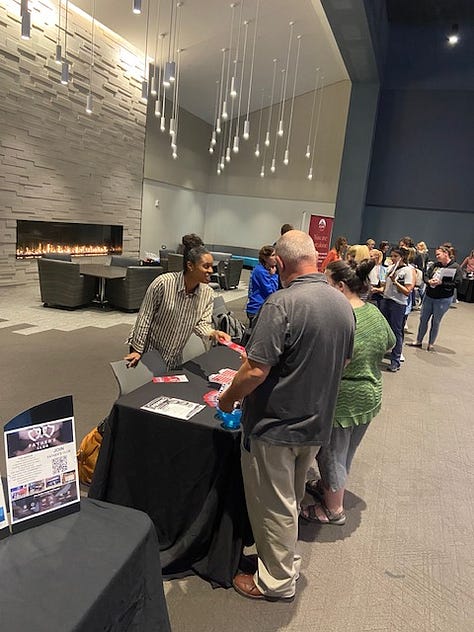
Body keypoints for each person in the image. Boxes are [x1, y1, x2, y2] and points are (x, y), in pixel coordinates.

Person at [218, 230, 355, 602]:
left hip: (276, 427)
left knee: (274, 505)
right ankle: (277, 560)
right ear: (316, 258)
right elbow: (342, 361)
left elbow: (254, 370)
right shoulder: (342, 304)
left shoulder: (281, 304)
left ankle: (276, 581)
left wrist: (228, 399)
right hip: (315, 425)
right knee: (289, 501)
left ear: (279, 263)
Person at [302, 260, 395, 524]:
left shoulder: (343, 318)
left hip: (344, 401)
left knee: (331, 455)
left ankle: (333, 510)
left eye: (326, 283)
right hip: (370, 394)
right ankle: (329, 488)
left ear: (340, 286)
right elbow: (390, 342)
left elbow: (333, 363)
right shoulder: (373, 312)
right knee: (346, 452)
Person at [125, 235, 230, 369]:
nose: (211, 270)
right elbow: (145, 317)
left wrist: (213, 333)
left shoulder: (207, 293)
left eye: (211, 266)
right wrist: (137, 350)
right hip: (148, 354)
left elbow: (202, 324)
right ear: (190, 265)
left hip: (174, 357)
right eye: (206, 266)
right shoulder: (164, 283)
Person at [408, 245, 463, 351]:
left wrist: (442, 283)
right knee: (423, 319)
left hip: (443, 299)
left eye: (438, 254)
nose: (436, 256)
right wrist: (429, 281)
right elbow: (426, 275)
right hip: (429, 296)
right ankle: (418, 341)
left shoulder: (456, 267)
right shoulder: (435, 265)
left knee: (436, 321)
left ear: (446, 254)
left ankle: (431, 343)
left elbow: (458, 283)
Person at [380, 247, 415, 372]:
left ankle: (395, 360)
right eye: (392, 256)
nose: (393, 258)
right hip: (386, 300)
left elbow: (407, 291)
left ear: (402, 257)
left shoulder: (408, 271)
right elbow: (384, 286)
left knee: (396, 331)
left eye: (395, 256)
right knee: (384, 329)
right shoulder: (390, 268)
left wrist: (396, 282)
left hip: (398, 304)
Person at [246, 245, 279, 327]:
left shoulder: (262, 269)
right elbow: (271, 292)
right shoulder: (261, 271)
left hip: (260, 308)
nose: (276, 258)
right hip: (257, 309)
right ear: (265, 258)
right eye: (273, 255)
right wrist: (273, 276)